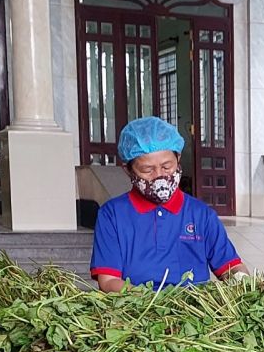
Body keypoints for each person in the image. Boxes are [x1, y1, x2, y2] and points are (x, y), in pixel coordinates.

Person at [90, 116, 247, 291]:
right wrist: (153, 303)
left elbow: (230, 267)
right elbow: (109, 280)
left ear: (178, 159)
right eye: (147, 170)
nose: (159, 176)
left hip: (194, 311)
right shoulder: (112, 215)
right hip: (135, 310)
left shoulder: (201, 214)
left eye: (167, 167)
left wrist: (245, 284)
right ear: (128, 170)